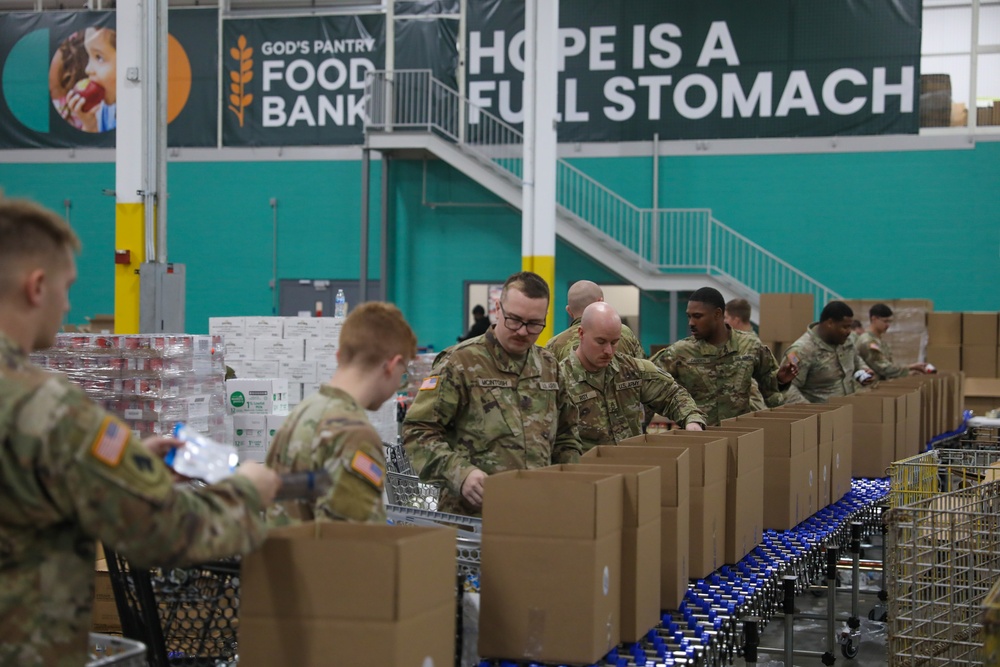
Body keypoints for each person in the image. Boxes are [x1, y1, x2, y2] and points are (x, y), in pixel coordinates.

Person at [0, 197, 281, 666]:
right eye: (67, 288)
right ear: (36, 287)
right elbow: (166, 532)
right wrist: (249, 491)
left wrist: (121, 463)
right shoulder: (45, 408)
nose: (69, 304)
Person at [403, 271, 582, 516]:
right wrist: (461, 474)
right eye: (514, 320)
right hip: (472, 520)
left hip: (537, 514)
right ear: (498, 309)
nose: (522, 331)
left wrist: (566, 483)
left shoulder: (549, 367)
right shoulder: (460, 363)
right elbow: (417, 431)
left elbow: (567, 435)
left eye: (533, 324)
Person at [266, 302, 417, 525]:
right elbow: (351, 547)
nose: (399, 384)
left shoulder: (301, 413)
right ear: (392, 365)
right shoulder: (355, 435)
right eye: (403, 374)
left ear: (339, 355)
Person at [561, 302, 707, 450]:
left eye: (614, 342)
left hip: (632, 465)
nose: (608, 351)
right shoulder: (560, 380)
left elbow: (673, 394)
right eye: (601, 342)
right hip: (587, 470)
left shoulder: (631, 370)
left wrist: (692, 419)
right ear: (581, 333)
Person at [651, 287, 796, 425]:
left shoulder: (750, 345)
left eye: (697, 316)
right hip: (700, 436)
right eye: (689, 316)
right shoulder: (679, 352)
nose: (691, 323)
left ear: (717, 314)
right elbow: (649, 386)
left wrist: (780, 379)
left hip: (741, 435)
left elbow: (769, 388)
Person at [782, 300, 875, 404]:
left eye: (850, 326)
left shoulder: (845, 340)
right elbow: (787, 388)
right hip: (821, 415)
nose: (849, 331)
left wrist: (865, 369)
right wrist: (811, 413)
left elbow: (856, 359)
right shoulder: (802, 350)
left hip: (847, 411)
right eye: (845, 327)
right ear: (830, 323)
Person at [546, 279, 645, 360]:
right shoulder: (624, 332)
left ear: (569, 311)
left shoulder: (554, 344)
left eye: (613, 342)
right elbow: (641, 369)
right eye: (601, 341)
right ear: (600, 302)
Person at [855, 303, 928, 380]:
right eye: (885, 321)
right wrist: (910, 367)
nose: (888, 325)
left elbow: (888, 365)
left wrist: (908, 372)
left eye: (889, 322)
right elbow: (884, 368)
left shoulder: (878, 340)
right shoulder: (868, 341)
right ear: (874, 319)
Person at [67, 27, 117, 133]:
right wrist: (90, 125)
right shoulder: (104, 110)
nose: (87, 69)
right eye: (88, 56)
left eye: (99, 57)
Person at [724, 297, 768, 411]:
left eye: (726, 317)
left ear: (736, 320)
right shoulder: (741, 342)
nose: (723, 321)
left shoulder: (748, 346)